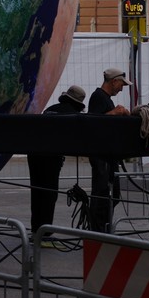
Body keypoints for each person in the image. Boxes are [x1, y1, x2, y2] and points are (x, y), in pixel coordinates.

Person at [26, 84, 86, 240]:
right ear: (78, 103)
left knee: (37, 193)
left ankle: (36, 230)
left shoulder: (50, 109)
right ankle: (45, 233)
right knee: (49, 195)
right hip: (50, 158)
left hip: (34, 155)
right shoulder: (72, 115)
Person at [88, 68, 133, 233]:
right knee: (102, 194)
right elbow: (93, 123)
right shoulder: (98, 97)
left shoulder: (105, 99)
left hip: (108, 156)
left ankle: (103, 228)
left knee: (112, 195)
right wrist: (115, 112)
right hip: (101, 156)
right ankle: (98, 231)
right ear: (114, 81)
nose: (121, 89)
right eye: (121, 85)